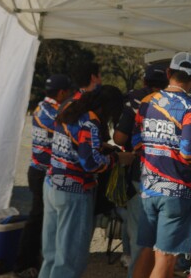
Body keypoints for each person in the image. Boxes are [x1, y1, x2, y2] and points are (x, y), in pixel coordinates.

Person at [39, 85, 134, 278]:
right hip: (74, 191)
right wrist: (118, 159)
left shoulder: (70, 109)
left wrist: (99, 145)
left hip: (52, 185)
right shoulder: (90, 122)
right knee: (70, 259)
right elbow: (90, 163)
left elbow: (74, 142)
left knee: (52, 255)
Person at [130, 52, 191, 278]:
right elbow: (188, 152)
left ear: (168, 73)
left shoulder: (147, 103)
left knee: (146, 249)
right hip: (178, 191)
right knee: (166, 256)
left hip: (148, 187)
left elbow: (135, 142)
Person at [12, 74, 74, 278]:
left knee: (41, 218)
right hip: (41, 172)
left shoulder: (41, 106)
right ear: (62, 93)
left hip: (38, 170)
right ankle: (24, 264)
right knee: (37, 219)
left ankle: (35, 261)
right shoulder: (52, 113)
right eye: (69, 92)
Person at [113, 67, 169, 270]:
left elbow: (119, 138)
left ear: (144, 81)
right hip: (166, 174)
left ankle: (130, 258)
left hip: (138, 168)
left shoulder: (135, 99)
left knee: (136, 223)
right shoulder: (172, 101)